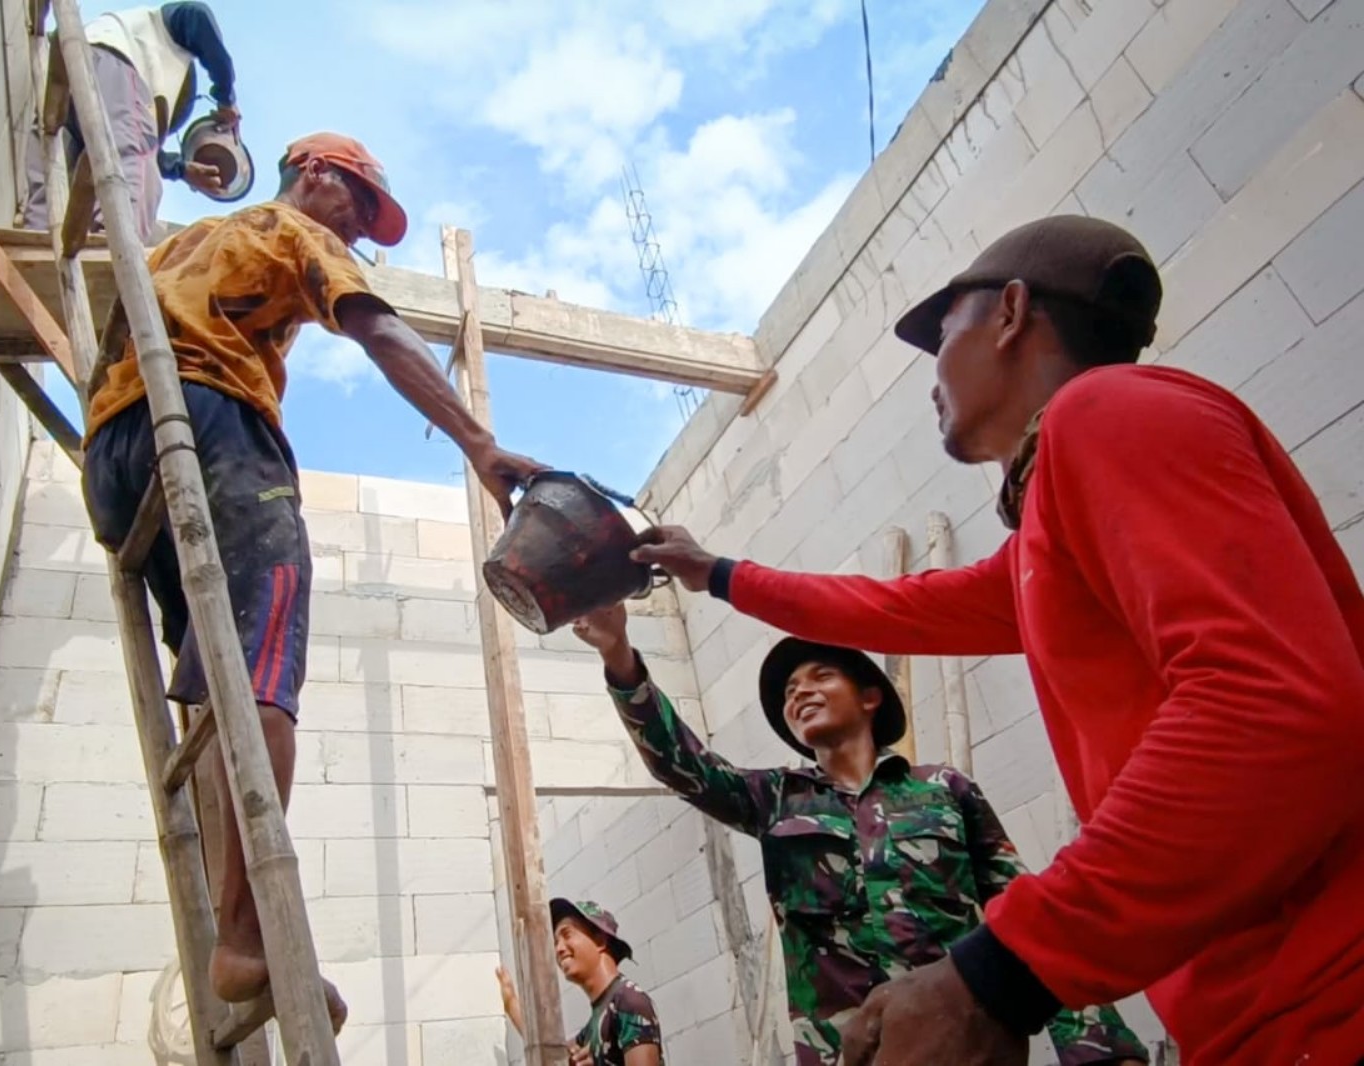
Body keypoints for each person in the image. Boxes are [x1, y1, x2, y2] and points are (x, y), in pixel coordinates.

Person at [629, 215, 1364, 1065]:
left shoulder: (1105, 410)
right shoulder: (1054, 526)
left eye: (942, 335)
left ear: (1011, 313)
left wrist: (1002, 972)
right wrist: (713, 571)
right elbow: (895, 607)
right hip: (1261, 1014)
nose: (932, 374)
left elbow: (1272, 708)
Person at [81, 131, 545, 1006]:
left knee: (219, 694)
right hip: (211, 427)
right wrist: (479, 443)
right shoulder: (297, 233)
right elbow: (379, 331)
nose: (360, 232)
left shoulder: (179, 245)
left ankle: (232, 928)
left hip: (114, 452)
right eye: (360, 207)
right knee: (261, 674)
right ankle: (247, 938)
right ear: (319, 176)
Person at [571, 602, 1146, 1066]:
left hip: (960, 1045)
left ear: (869, 697)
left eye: (821, 675)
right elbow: (682, 765)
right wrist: (618, 653)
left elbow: (1024, 914)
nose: (800, 691)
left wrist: (1100, 1049)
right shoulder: (776, 799)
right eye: (790, 690)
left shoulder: (944, 790)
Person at [24, 2, 241, 241]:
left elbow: (127, 144)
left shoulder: (121, 97)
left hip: (71, 75)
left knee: (53, 179)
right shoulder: (161, 33)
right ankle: (114, 244)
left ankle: (36, 237)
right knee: (143, 178)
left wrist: (180, 169)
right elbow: (197, 16)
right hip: (112, 62)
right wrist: (226, 97)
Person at [496, 899, 663, 1066]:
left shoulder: (629, 1001)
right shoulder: (595, 1023)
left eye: (567, 935)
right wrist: (511, 1004)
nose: (559, 948)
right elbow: (553, 1052)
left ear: (599, 941)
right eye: (555, 942)